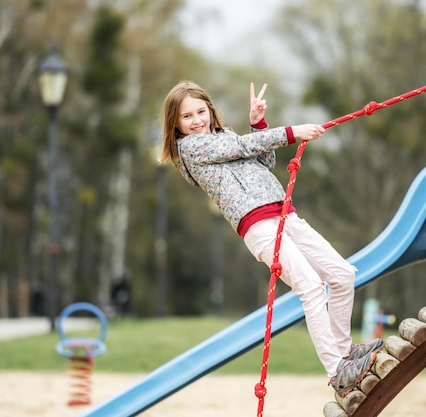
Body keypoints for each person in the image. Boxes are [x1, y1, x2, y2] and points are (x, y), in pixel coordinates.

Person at [159, 80, 384, 398]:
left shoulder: (224, 136)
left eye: (200, 111)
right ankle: (337, 372)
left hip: (285, 214)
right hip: (258, 225)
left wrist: (257, 124)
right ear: (176, 124)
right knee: (310, 286)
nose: (196, 120)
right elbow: (242, 150)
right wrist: (293, 132)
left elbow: (263, 162)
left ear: (210, 110)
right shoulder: (191, 149)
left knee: (342, 274)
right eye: (187, 116)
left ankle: (345, 351)